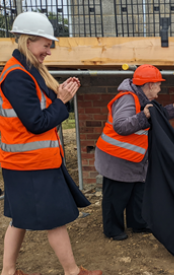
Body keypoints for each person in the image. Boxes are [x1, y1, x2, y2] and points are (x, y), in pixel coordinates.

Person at [0, 12, 102, 275]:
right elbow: (36, 122)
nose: (49, 51)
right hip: (30, 165)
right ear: (28, 41)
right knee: (54, 220)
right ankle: (72, 272)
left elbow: (38, 113)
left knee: (19, 219)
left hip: (27, 164)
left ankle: (8, 271)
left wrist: (58, 97)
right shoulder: (17, 75)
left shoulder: (26, 72)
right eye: (46, 45)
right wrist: (61, 101)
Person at [95, 64, 174, 241]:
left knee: (137, 193)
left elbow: (152, 114)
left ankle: (138, 223)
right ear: (150, 85)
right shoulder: (127, 99)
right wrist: (144, 117)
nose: (160, 88)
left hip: (133, 158)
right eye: (158, 85)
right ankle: (113, 229)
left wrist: (170, 110)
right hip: (117, 158)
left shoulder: (140, 98)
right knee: (116, 196)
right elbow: (121, 125)